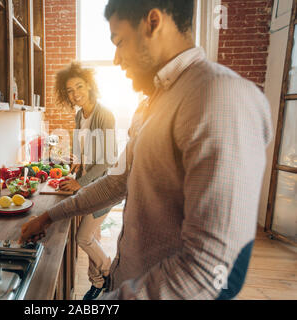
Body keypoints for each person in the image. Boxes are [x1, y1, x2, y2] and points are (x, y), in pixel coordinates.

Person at [20, 0, 273, 300]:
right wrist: (50, 217)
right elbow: (117, 182)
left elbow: (211, 274)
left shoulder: (219, 97)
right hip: (124, 281)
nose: (116, 59)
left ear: (153, 22)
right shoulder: (150, 106)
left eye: (120, 41)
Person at [54, 62, 118, 300]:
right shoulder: (80, 115)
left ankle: (109, 272)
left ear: (90, 86)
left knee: (83, 237)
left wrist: (81, 183)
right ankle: (97, 283)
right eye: (70, 90)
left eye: (79, 87)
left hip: (105, 186)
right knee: (94, 237)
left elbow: (106, 161)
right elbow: (82, 149)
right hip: (89, 183)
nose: (75, 93)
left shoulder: (106, 115)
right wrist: (76, 162)